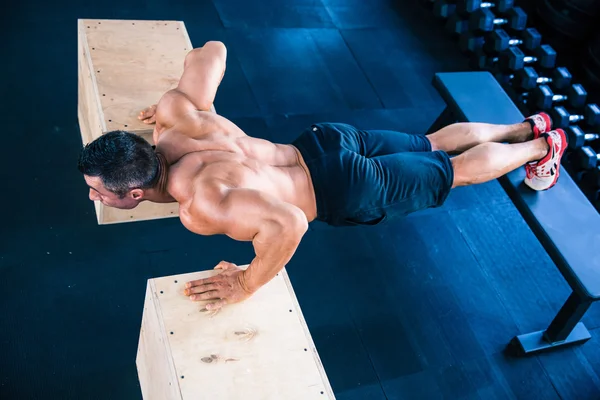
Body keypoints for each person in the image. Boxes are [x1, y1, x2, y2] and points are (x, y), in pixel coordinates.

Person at [77, 41, 567, 311]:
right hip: (325, 142)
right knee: (432, 142)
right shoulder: (176, 114)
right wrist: (173, 106)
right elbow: (213, 51)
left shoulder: (199, 206)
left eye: (100, 191)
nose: (96, 197)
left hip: (342, 190)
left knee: (453, 170)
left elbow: (289, 223)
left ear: (135, 193)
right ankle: (525, 125)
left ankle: (543, 146)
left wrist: (248, 283)